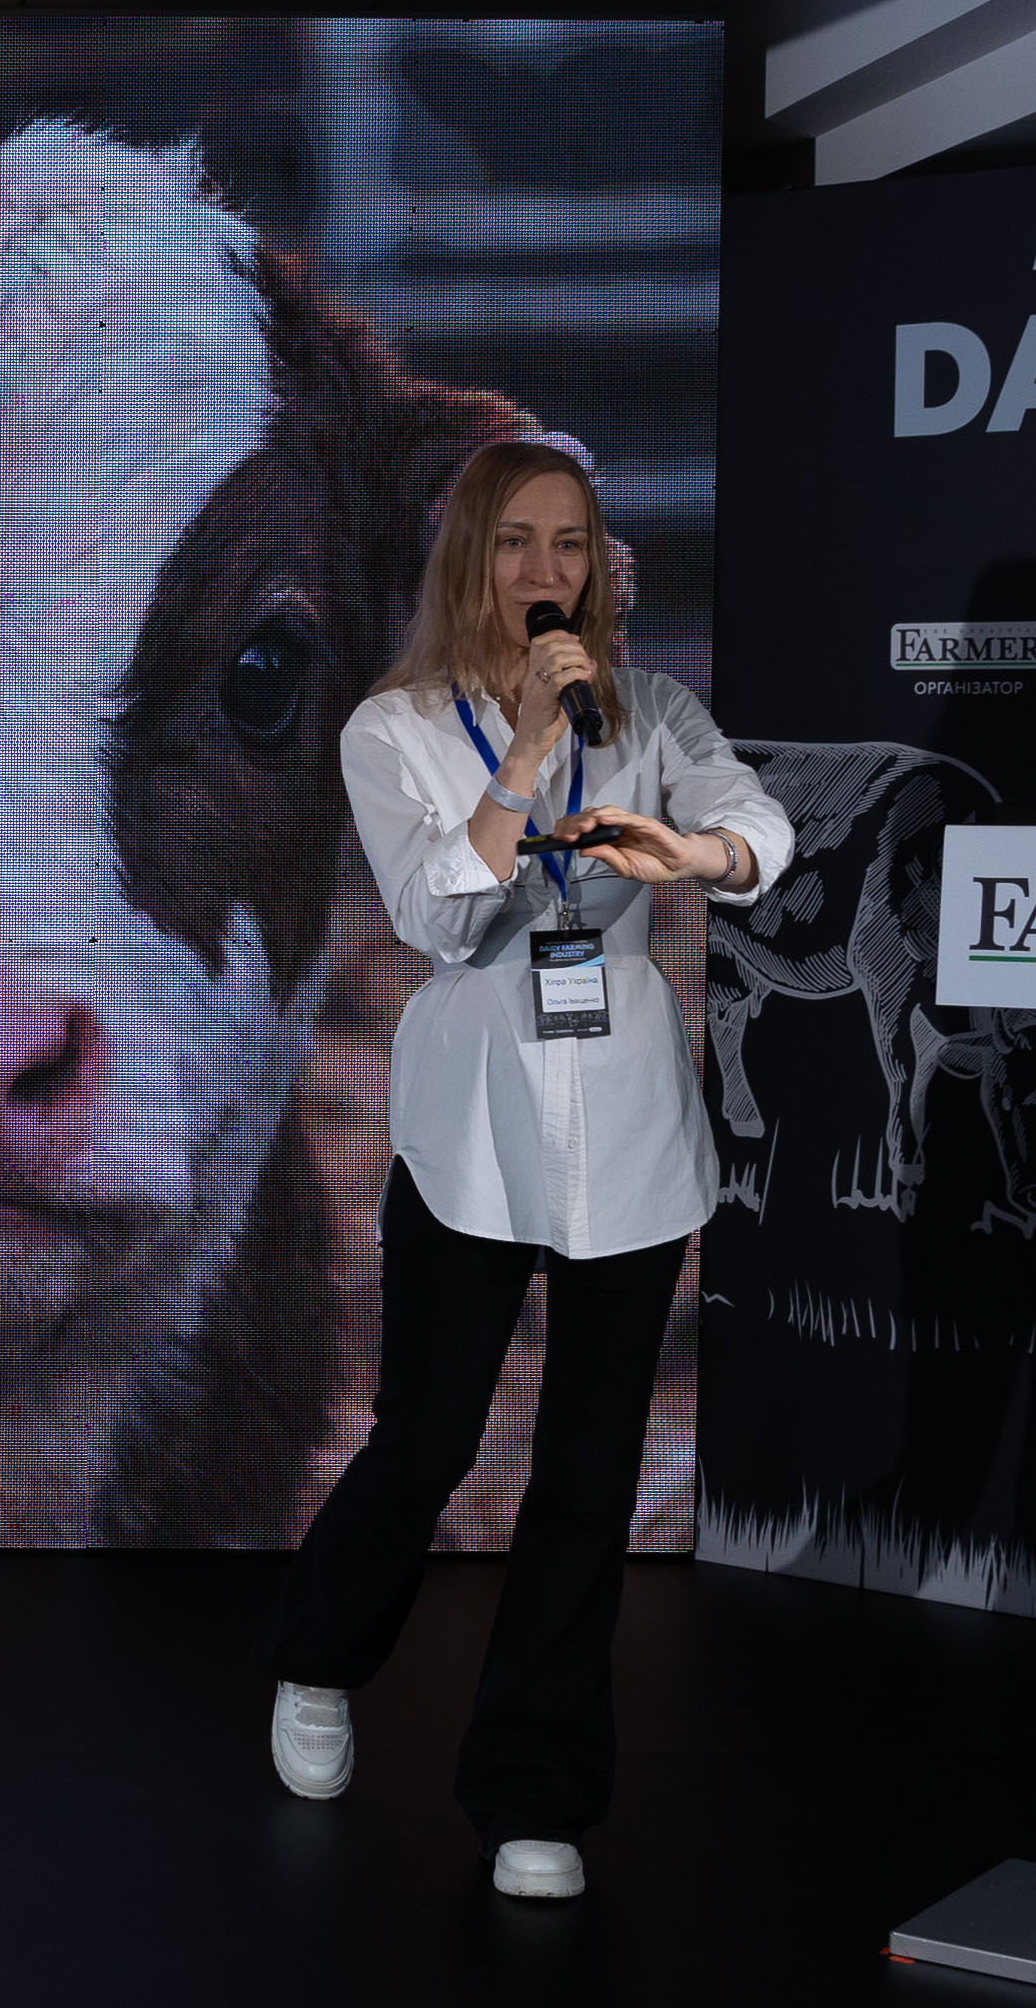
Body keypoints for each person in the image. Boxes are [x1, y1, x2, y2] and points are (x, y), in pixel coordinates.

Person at [262, 437, 791, 1899]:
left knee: (589, 1470)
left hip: (626, 1120)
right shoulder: (395, 730)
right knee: (430, 1437)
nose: (544, 570)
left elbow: (763, 825)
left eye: (567, 542)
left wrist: (697, 859)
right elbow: (438, 915)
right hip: (471, 1127)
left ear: (601, 563)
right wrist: (531, 756)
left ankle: (532, 1789)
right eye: (514, 542)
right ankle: (318, 1654)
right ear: (469, 562)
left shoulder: (656, 711)